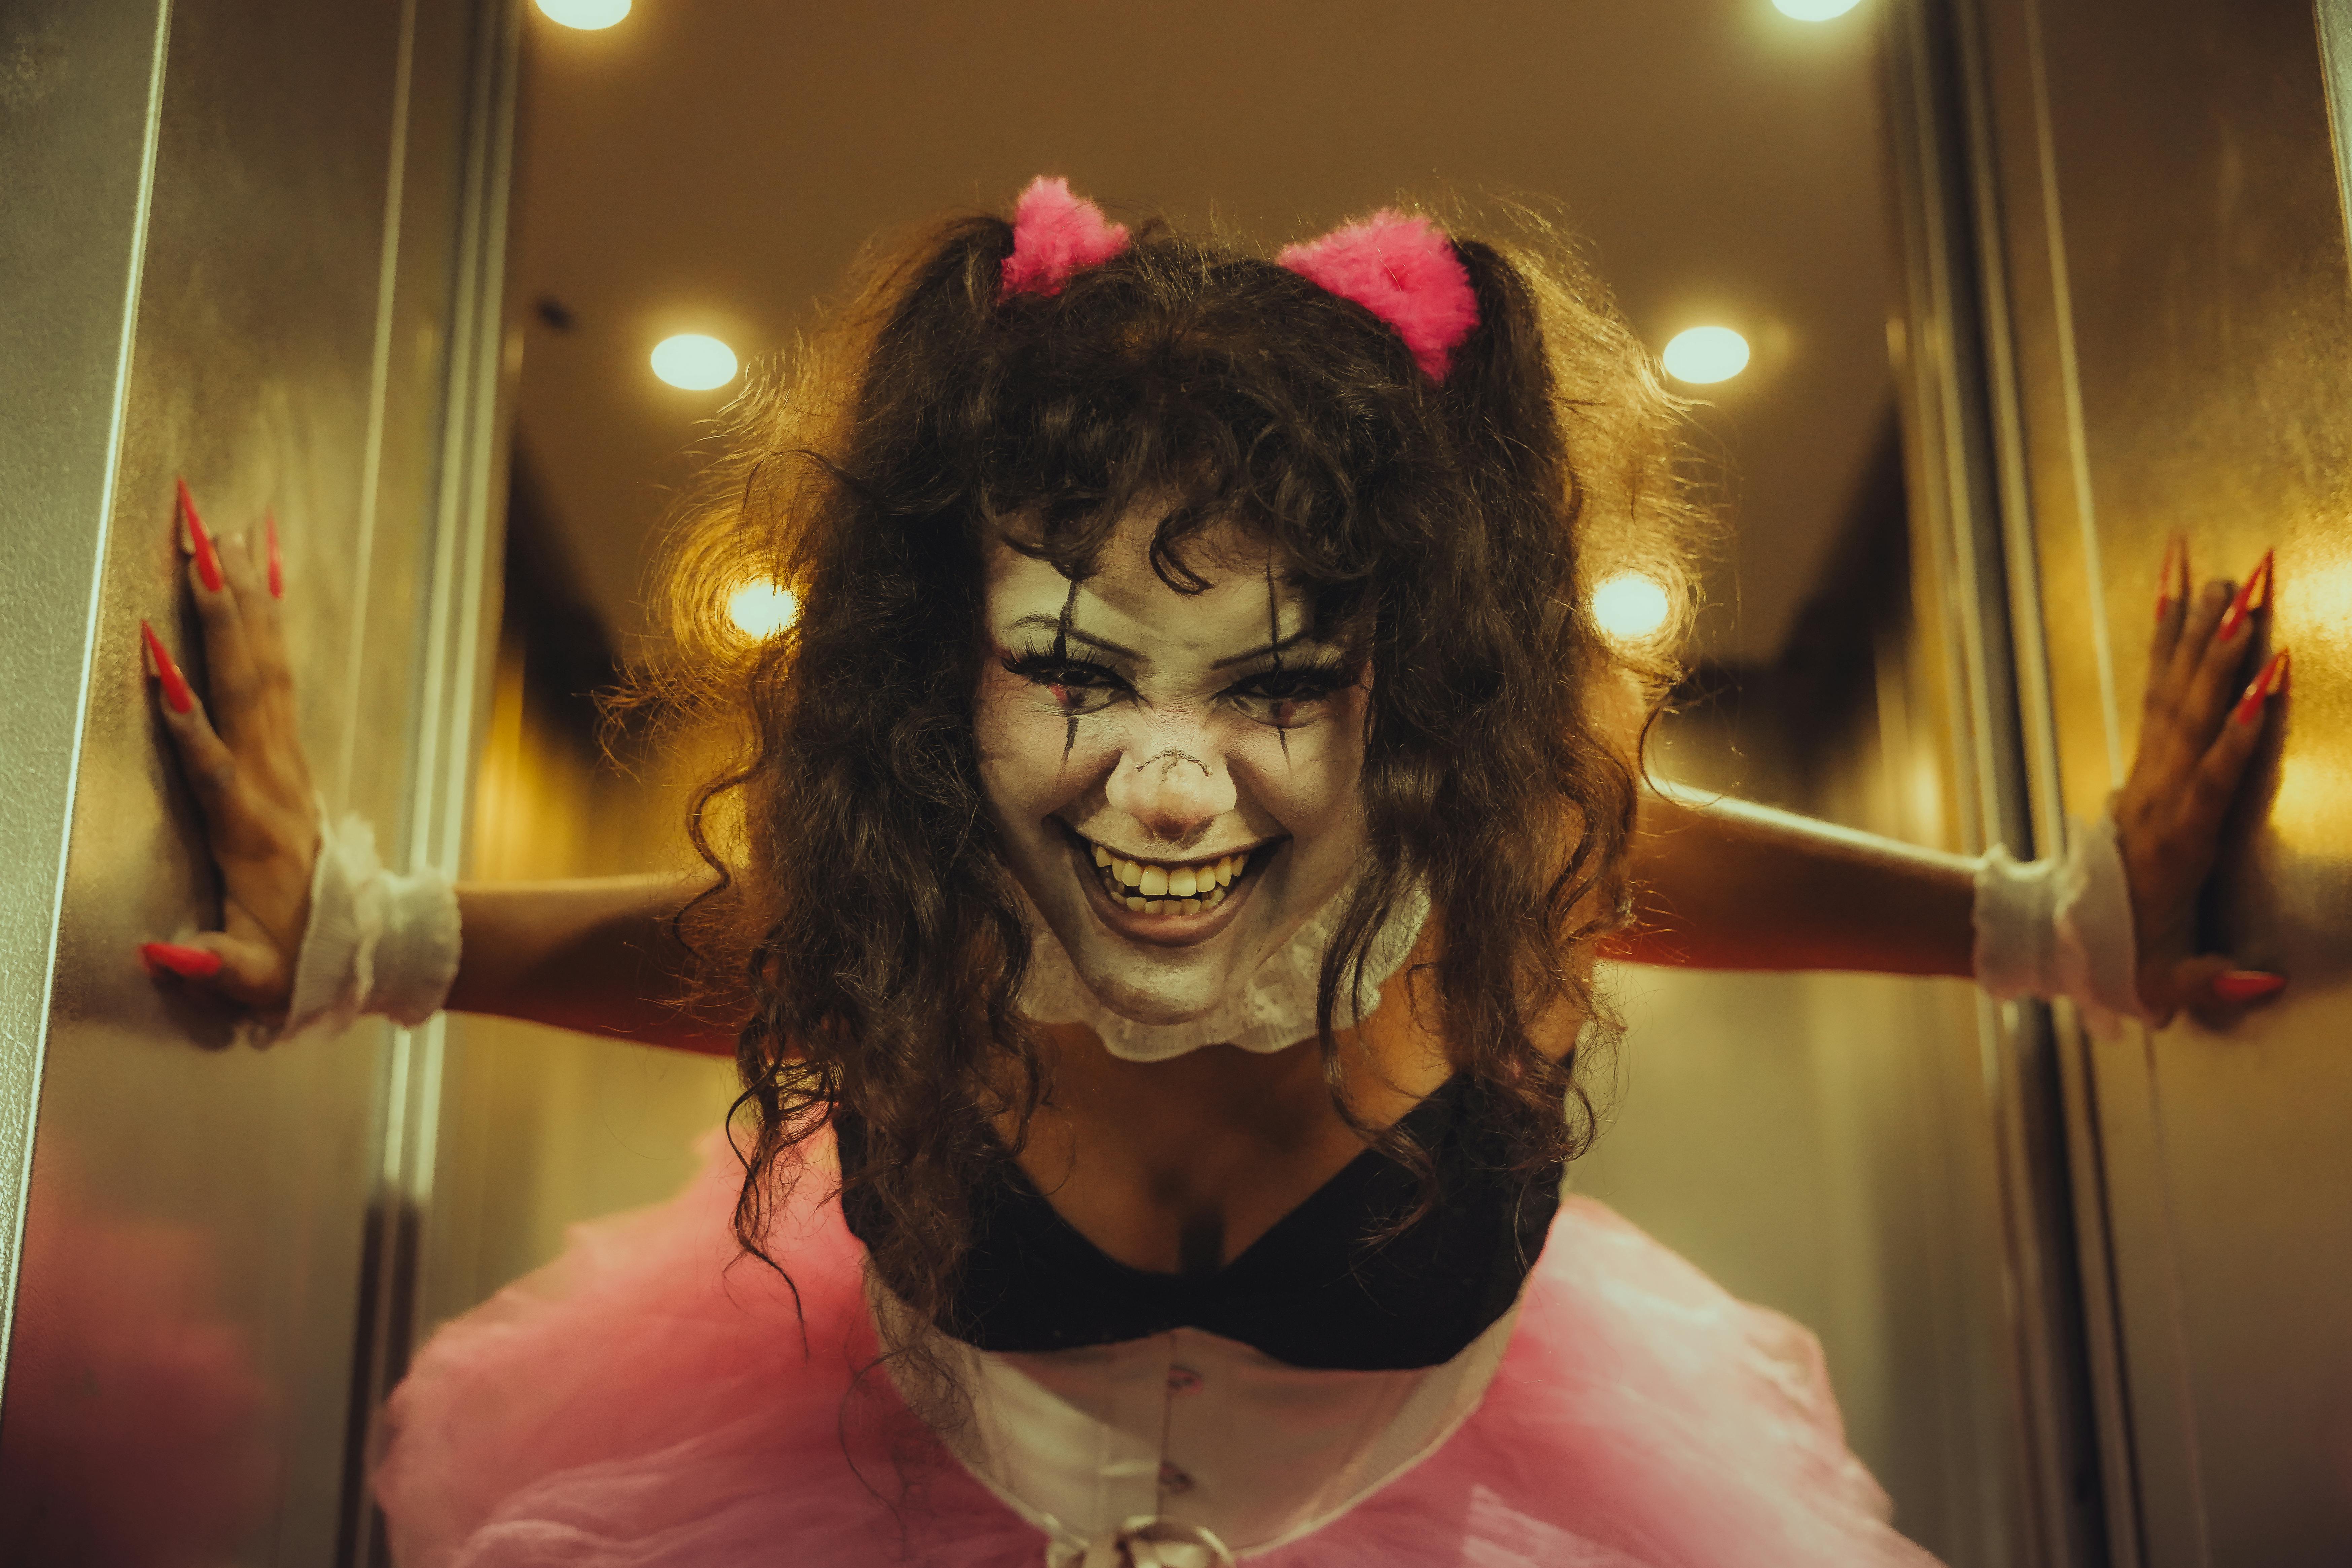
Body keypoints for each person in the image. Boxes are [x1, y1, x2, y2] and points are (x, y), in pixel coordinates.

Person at [138, 179, 2286, 1567]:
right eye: (1073, 673)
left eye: (1282, 686)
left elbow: (1640, 850)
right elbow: (725, 942)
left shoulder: (1505, 829)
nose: (1169, 797)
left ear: (1422, 699)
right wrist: (359, 932)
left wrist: (2063, 918)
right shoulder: (919, 892)